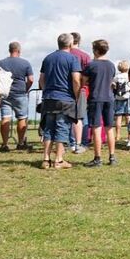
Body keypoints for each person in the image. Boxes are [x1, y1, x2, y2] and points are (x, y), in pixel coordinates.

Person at [39, 33, 81, 169]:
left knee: (48, 128)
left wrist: (46, 91)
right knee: (62, 127)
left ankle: (46, 159)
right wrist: (76, 95)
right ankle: (59, 160)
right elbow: (75, 79)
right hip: (65, 98)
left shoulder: (48, 58)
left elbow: (41, 79)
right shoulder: (72, 59)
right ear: (70, 44)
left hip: (49, 97)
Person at [82, 39, 118, 167]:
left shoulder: (91, 65)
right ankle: (112, 157)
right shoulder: (111, 65)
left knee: (97, 128)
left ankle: (98, 158)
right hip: (109, 98)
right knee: (109, 128)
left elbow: (83, 81)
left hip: (96, 97)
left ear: (96, 50)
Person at [0, 42, 34, 151]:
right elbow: (31, 79)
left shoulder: (1, 63)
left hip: (5, 94)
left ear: (9, 50)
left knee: (5, 118)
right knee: (22, 118)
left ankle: (4, 144)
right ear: (19, 51)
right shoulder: (25, 63)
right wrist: (26, 88)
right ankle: (21, 143)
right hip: (20, 93)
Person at [68, 32, 91, 153]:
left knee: (68, 117)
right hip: (82, 89)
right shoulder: (85, 56)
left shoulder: (66, 54)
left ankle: (70, 142)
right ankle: (83, 141)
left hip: (66, 89)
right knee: (83, 116)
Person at [113, 60, 130, 142]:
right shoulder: (129, 76)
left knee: (118, 117)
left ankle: (117, 135)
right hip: (127, 97)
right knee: (128, 117)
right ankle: (129, 136)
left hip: (118, 98)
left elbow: (113, 85)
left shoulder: (116, 77)